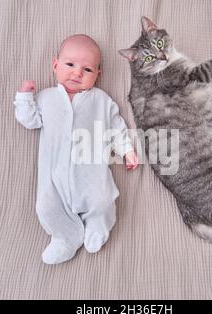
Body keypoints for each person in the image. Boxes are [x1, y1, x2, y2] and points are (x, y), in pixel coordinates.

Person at [14, 34, 139, 264]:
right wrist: (24, 97)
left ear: (97, 75)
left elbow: (116, 126)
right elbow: (30, 120)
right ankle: (66, 237)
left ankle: (98, 225)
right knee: (45, 207)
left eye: (87, 70)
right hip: (55, 178)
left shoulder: (100, 100)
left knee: (102, 201)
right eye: (70, 64)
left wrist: (127, 150)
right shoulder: (46, 98)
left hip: (91, 174)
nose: (77, 73)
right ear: (55, 65)